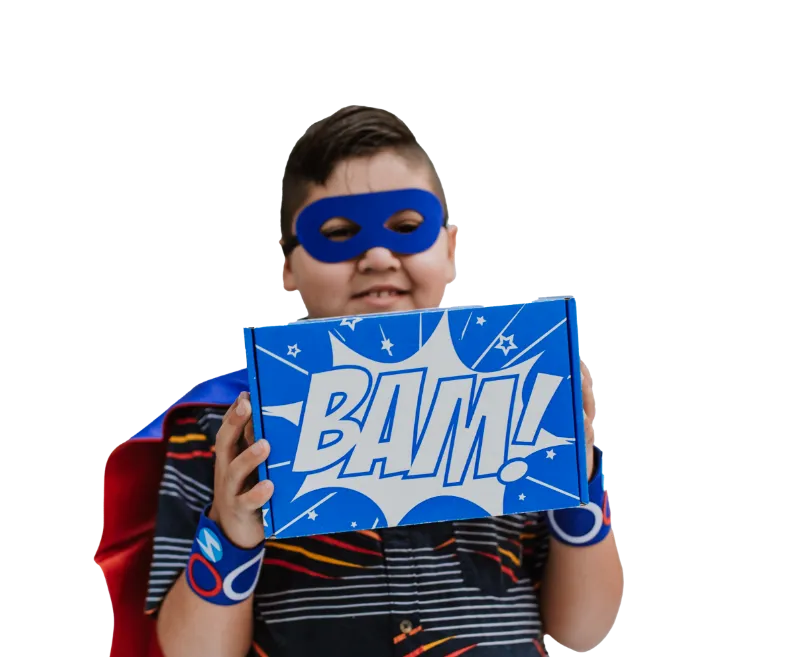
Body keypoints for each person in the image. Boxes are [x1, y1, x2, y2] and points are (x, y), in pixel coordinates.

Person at [95, 105, 623, 657]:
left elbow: (581, 629)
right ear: (288, 267)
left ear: (449, 249)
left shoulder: (523, 400)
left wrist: (578, 482)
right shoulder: (226, 429)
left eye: (405, 227)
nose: (376, 255)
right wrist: (229, 534)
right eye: (339, 233)